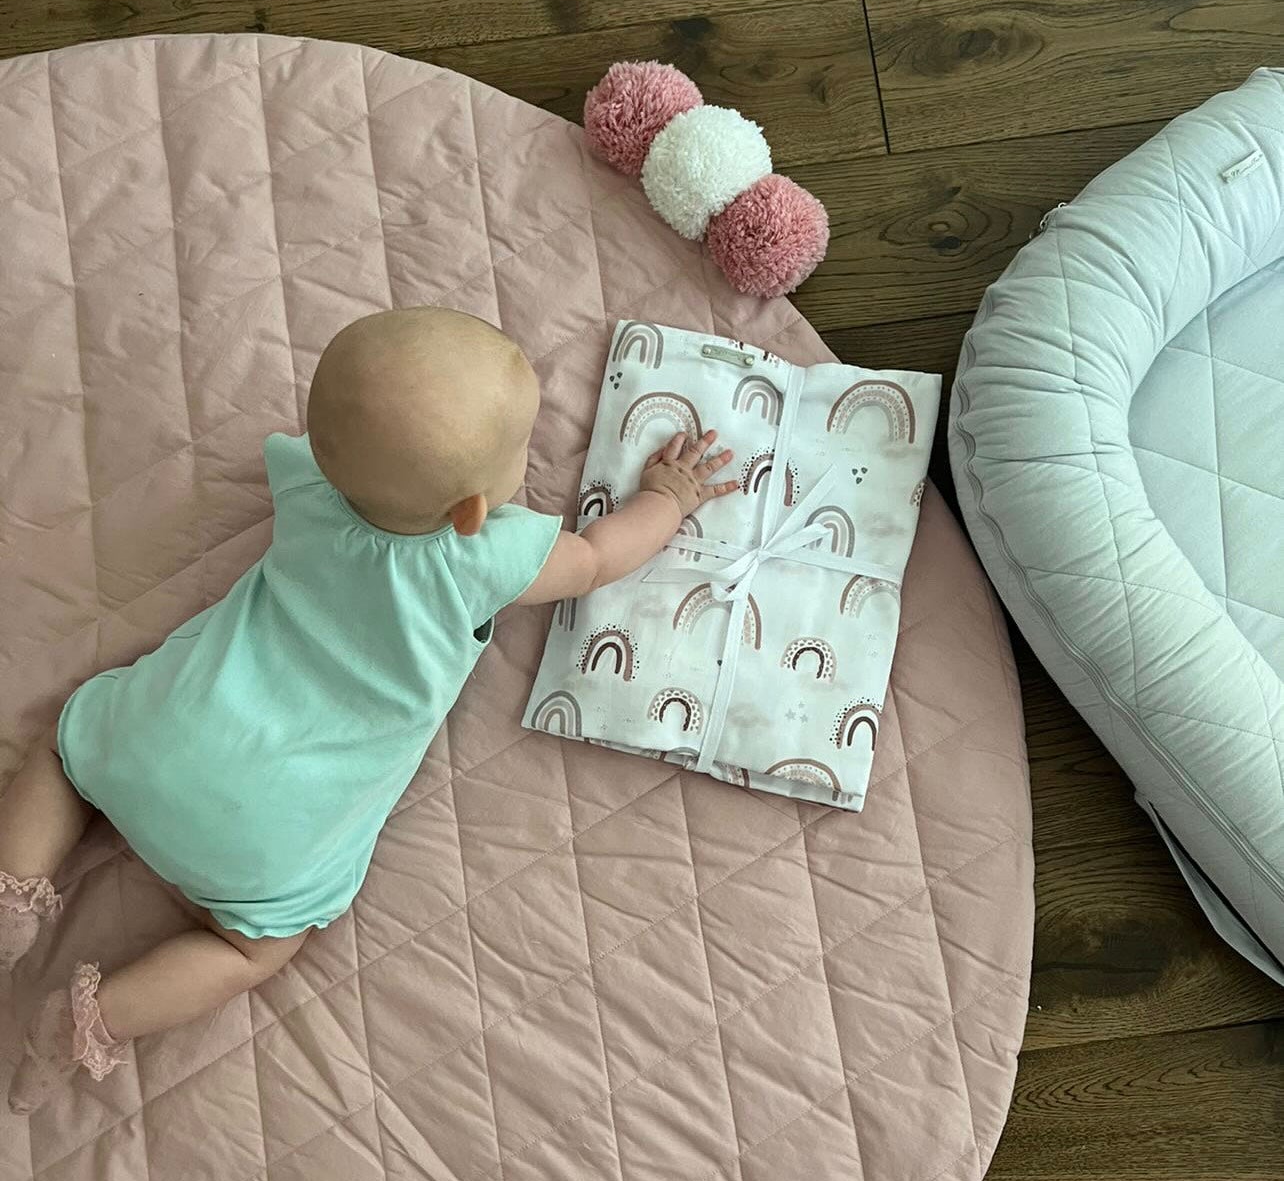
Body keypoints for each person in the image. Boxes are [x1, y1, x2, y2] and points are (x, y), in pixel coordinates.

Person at [0, 305, 736, 1112]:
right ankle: (94, 1019)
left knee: (63, 756)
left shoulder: (307, 481)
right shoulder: (483, 555)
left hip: (162, 734)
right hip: (267, 838)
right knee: (252, 950)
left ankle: (13, 893)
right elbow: (595, 559)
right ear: (470, 510)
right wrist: (667, 498)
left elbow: (335, 441)